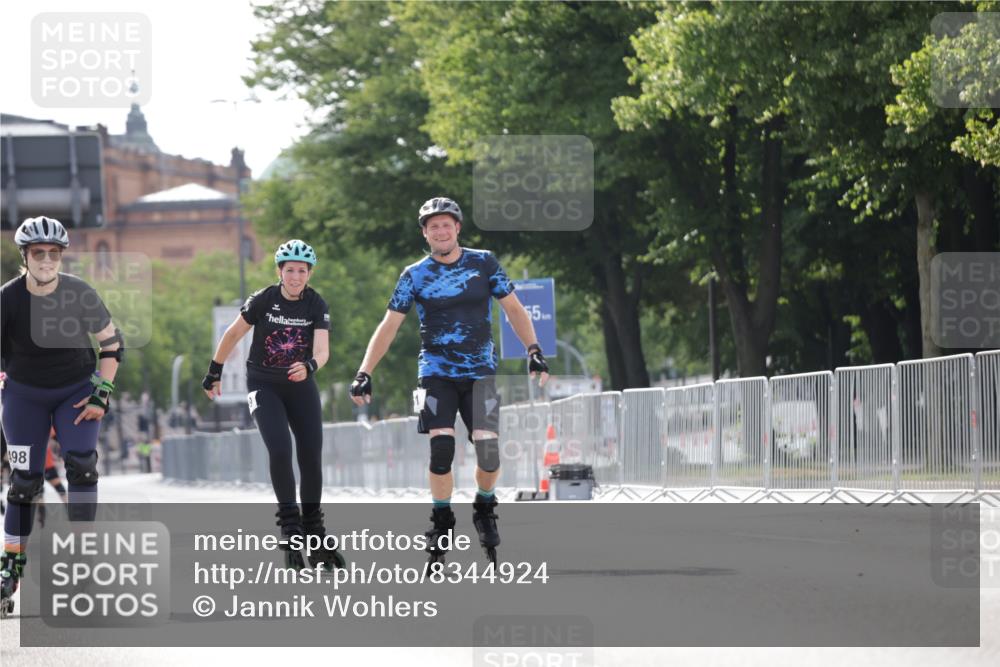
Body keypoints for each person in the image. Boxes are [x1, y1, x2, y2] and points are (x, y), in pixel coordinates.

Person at [349, 196, 549, 567]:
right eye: (433, 226)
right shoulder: (414, 274)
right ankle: (441, 520)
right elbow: (389, 325)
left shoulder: (483, 263)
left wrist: (533, 349)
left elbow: (514, 309)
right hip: (435, 373)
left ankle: (484, 506)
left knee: (488, 453)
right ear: (425, 234)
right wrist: (365, 372)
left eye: (446, 224)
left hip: (480, 372)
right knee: (442, 452)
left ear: (457, 228)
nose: (440, 231)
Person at [0, 216, 123, 617]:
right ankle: (10, 568)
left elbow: (112, 344)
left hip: (75, 392)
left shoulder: (79, 293)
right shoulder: (8, 298)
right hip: (24, 395)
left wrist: (101, 394)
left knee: (83, 467)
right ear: (26, 256)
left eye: (54, 254)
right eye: (39, 254)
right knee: (23, 484)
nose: (47, 261)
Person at [203, 240, 343, 570]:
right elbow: (233, 334)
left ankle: (315, 531)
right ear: (280, 271)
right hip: (264, 385)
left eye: (302, 271)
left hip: (301, 386)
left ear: (309, 274)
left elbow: (323, 351)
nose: (296, 277)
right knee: (280, 450)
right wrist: (214, 371)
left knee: (310, 457)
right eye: (290, 270)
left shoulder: (315, 303)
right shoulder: (264, 299)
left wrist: (309, 366)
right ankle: (291, 529)